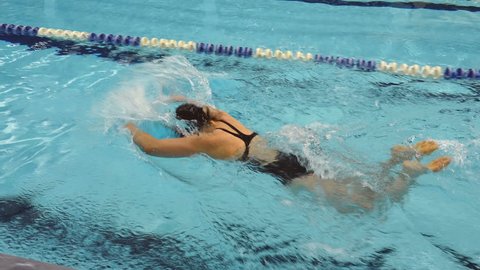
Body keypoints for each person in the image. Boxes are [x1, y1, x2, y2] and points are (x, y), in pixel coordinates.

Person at [125, 99, 451, 211]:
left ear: (192, 129)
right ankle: (394, 161)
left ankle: (409, 169)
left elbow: (152, 147)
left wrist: (126, 124)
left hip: (291, 175)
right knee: (368, 184)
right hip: (299, 155)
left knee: (369, 206)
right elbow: (197, 107)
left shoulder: (206, 142)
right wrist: (176, 99)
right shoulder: (223, 119)